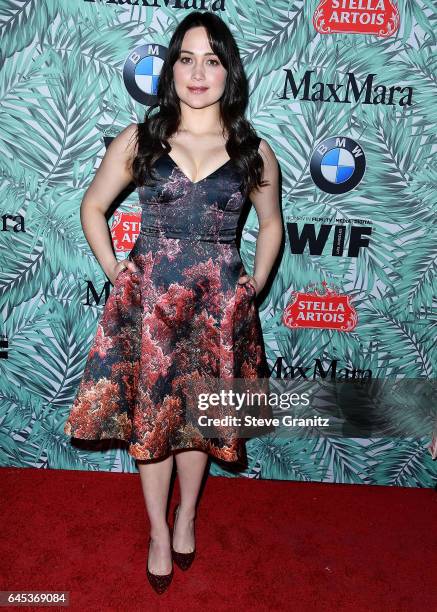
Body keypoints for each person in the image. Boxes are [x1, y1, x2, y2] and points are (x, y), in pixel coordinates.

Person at [64, 11, 282, 594]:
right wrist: (119, 273)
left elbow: (271, 223)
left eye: (212, 59)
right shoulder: (142, 139)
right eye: (186, 58)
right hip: (152, 306)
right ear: (172, 69)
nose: (197, 72)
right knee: (155, 421)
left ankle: (188, 515)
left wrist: (254, 284)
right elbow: (92, 208)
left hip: (216, 308)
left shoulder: (252, 150)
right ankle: (159, 529)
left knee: (199, 420)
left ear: (228, 72)